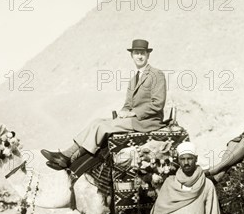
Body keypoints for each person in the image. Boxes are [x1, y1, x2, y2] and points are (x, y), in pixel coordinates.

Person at [41, 39, 167, 170]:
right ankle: (66, 155)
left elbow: (158, 103)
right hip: (133, 119)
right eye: (136, 53)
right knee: (96, 121)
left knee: (102, 127)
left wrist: (133, 113)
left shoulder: (157, 75)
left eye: (142, 53)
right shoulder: (133, 79)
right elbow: (128, 104)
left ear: (148, 55)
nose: (139, 56)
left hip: (148, 121)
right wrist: (123, 113)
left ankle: (69, 159)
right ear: (132, 56)